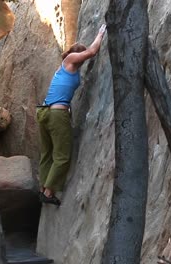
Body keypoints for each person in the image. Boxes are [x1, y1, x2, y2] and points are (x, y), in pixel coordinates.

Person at [36, 24, 107, 206]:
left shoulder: (64, 68)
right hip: (56, 115)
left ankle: (43, 187)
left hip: (45, 111)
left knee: (48, 153)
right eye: (80, 57)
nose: (81, 61)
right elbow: (91, 51)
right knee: (62, 156)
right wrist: (100, 34)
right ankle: (49, 192)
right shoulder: (71, 59)